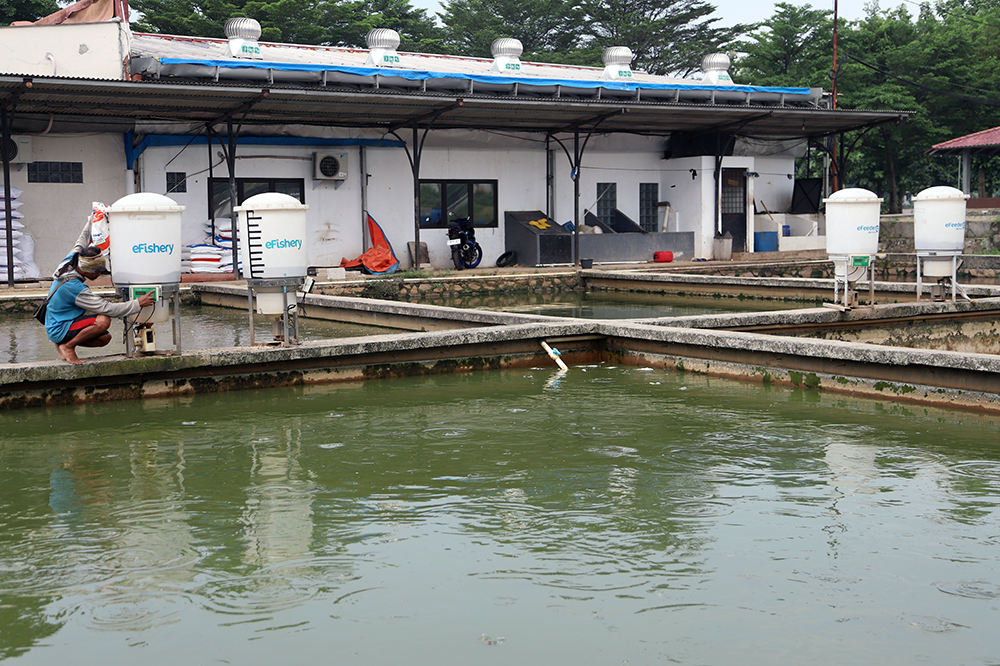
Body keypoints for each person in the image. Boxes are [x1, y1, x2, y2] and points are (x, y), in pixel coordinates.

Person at [45, 223, 154, 365]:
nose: (98, 275)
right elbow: (107, 308)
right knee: (103, 320)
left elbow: (81, 240)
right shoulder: (74, 287)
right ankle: (68, 346)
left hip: (58, 322)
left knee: (104, 339)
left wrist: (94, 218)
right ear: (88, 271)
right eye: (97, 272)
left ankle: (62, 344)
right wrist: (137, 303)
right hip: (59, 327)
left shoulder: (70, 261)